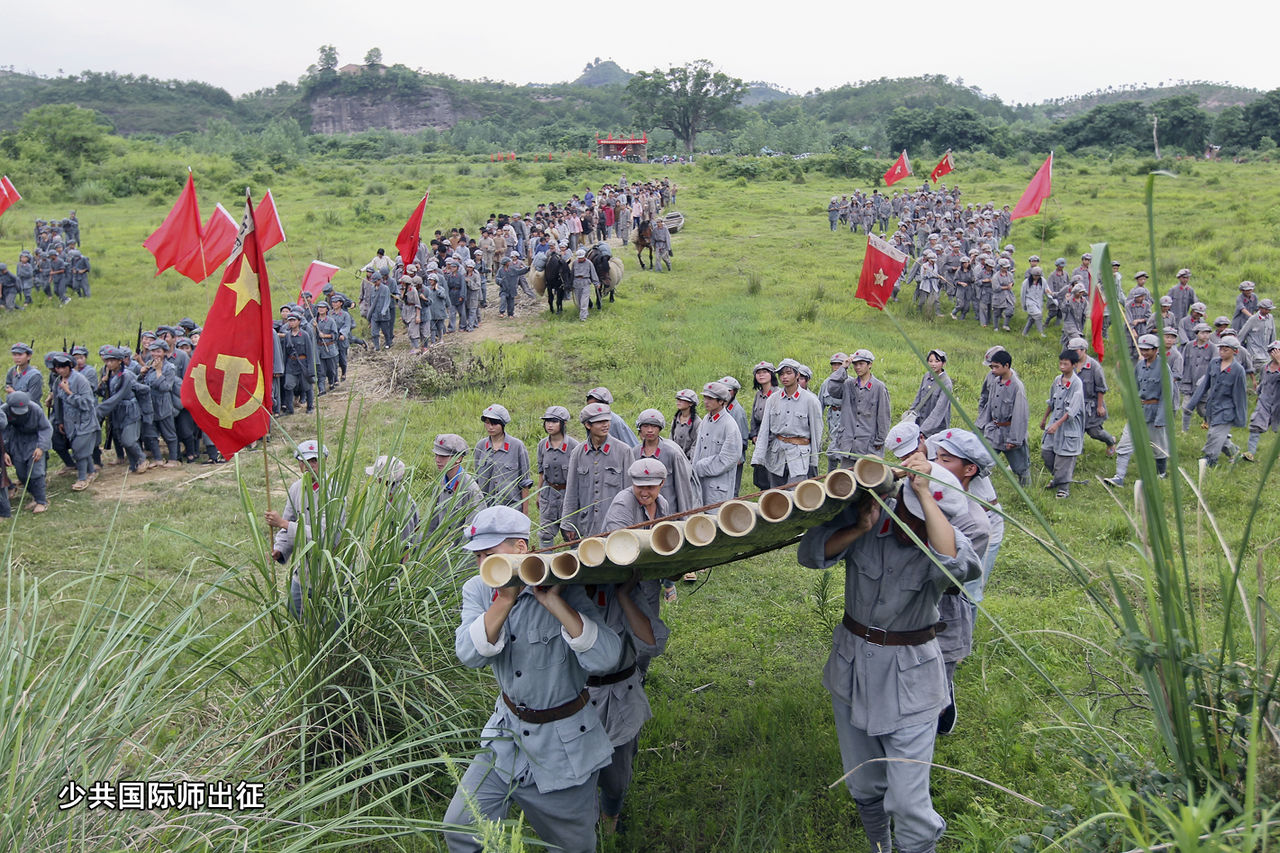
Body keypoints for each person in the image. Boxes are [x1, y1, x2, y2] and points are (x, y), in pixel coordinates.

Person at [798, 447, 981, 853]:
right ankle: (879, 845)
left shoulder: (948, 538)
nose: (904, 519)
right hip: (852, 668)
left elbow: (956, 566)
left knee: (908, 802)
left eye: (915, 512)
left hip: (911, 679)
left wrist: (927, 498)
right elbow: (810, 554)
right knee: (863, 782)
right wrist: (859, 527)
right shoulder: (872, 520)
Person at [444, 507, 622, 853]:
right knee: (461, 827)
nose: (483, 564)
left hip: (564, 746)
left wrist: (553, 601)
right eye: (478, 556)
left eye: (491, 554)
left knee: (573, 846)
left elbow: (605, 657)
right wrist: (505, 600)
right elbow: (469, 654)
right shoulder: (478, 590)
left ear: (521, 549)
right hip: (506, 737)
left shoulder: (565, 582)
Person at [265, 440, 346, 619]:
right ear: (299, 464)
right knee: (295, 611)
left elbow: (325, 535)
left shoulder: (335, 491)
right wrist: (279, 549)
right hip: (304, 570)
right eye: (305, 461)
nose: (310, 466)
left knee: (331, 624)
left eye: (315, 461)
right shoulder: (296, 489)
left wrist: (283, 524)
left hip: (330, 571)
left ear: (324, 461)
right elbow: (289, 521)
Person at [1103, 335, 1173, 487]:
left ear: (1155, 350)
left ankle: (1161, 473)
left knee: (1158, 447)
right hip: (1138, 412)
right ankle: (1119, 477)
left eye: (1147, 350)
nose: (1144, 352)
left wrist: (1161, 418)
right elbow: (1134, 388)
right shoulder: (1140, 366)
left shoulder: (1163, 368)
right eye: (1142, 349)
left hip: (1154, 414)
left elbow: (1167, 395)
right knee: (1124, 445)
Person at [750, 358, 823, 489]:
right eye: (781, 374)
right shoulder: (773, 399)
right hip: (777, 453)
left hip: (799, 456)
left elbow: (816, 431)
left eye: (788, 373)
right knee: (776, 494)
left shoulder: (810, 400)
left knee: (795, 494)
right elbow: (764, 429)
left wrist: (814, 460)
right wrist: (758, 457)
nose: (784, 377)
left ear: (797, 375)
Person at [560, 403, 629, 541]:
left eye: (607, 421)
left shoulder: (623, 451)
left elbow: (630, 490)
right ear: (588, 425)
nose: (605, 425)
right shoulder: (578, 453)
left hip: (616, 524)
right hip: (587, 524)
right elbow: (572, 491)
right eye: (599, 422)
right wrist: (568, 523)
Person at [1186, 336, 1248, 467]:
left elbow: (1240, 395)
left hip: (1226, 410)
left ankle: (1210, 459)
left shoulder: (1238, 370)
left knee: (1214, 435)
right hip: (1212, 407)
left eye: (1226, 350)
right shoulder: (1214, 363)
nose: (1222, 352)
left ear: (1235, 351)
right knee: (1218, 434)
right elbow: (1204, 385)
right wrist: (1191, 405)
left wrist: (1240, 417)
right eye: (1221, 349)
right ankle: (1234, 451)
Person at [826, 349, 891, 466]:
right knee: (847, 481)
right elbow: (832, 388)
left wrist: (880, 440)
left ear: (870, 364)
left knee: (867, 481)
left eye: (861, 364)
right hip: (848, 446)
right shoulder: (848, 384)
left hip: (868, 446)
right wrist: (843, 368)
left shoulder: (879, 387)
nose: (857, 367)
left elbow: (884, 417)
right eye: (855, 364)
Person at [976, 349, 1031, 486]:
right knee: (983, 462)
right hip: (993, 431)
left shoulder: (1017, 386)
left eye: (996, 367)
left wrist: (1015, 439)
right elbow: (989, 405)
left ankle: (1027, 492)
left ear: (1006, 366)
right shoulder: (995, 382)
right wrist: (982, 425)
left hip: (1009, 432)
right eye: (992, 367)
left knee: (1021, 467)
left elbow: (1020, 415)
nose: (993, 370)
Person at [1039, 350, 1086, 499]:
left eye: (1065, 364)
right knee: (1046, 452)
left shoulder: (1077, 384)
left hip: (1068, 427)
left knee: (1064, 457)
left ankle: (1063, 488)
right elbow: (1051, 402)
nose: (1062, 366)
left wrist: (1058, 424)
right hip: (1054, 424)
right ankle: (1058, 478)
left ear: (1074, 365)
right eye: (1061, 363)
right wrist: (1045, 419)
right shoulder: (1057, 380)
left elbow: (1072, 409)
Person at [690, 381, 743, 506]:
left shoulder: (729, 425)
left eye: (710, 398)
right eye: (705, 398)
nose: (706, 401)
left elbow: (729, 458)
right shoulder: (705, 420)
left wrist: (700, 467)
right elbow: (698, 450)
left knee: (716, 520)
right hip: (700, 483)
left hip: (719, 488)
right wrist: (694, 470)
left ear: (721, 401)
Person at [474, 404, 533, 514]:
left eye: (494, 423)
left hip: (511, 509)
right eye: (487, 423)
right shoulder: (480, 446)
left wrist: (525, 514)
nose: (490, 427)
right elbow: (476, 481)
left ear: (502, 424)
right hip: (485, 509)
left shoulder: (517, 446)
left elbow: (525, 483)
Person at [96, 347, 146, 474]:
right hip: (117, 411)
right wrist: (102, 384)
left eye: (112, 361)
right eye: (107, 361)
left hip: (129, 410)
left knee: (128, 439)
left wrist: (100, 410)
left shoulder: (126, 375)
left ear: (119, 361)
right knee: (121, 439)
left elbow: (119, 395)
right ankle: (133, 464)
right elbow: (104, 394)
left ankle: (142, 459)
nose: (109, 364)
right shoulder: (108, 374)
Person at [535, 407, 578, 549]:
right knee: (545, 533)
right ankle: (544, 567)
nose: (550, 425)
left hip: (568, 495)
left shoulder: (574, 446)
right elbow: (541, 472)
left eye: (554, 421)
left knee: (571, 533)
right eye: (547, 421)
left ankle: (578, 566)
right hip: (548, 494)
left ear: (563, 424)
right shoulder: (542, 445)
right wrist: (538, 493)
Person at [2, 390, 53, 513]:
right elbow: (2, 431)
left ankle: (42, 501)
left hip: (34, 440)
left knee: (36, 472)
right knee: (21, 473)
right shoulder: (3, 410)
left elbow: (46, 428)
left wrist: (41, 447)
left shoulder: (35, 409)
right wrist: (4, 451)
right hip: (16, 441)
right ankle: (35, 495)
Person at [428, 433, 484, 540]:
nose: (437, 460)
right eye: (436, 455)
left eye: (443, 456)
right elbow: (432, 525)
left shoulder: (470, 489)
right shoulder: (439, 484)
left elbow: (473, 531)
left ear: (459, 458)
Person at [1244, 341, 1280, 461]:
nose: (1275, 354)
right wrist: (1258, 394)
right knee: (1256, 425)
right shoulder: (1265, 367)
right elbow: (1262, 383)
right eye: (1273, 351)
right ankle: (1250, 453)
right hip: (1264, 402)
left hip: (1278, 404)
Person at [905, 349, 952, 437]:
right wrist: (910, 415)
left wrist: (923, 430)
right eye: (930, 361)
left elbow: (939, 411)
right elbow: (918, 398)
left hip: (935, 429)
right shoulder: (926, 376)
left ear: (943, 363)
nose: (933, 364)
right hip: (920, 423)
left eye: (937, 361)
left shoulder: (946, 383)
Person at [747, 361, 777, 490]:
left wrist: (767, 439)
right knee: (760, 476)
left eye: (765, 372)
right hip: (759, 440)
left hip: (773, 440)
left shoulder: (777, 394)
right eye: (758, 373)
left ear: (771, 374)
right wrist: (754, 435)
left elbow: (777, 421)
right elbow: (754, 418)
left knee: (772, 474)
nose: (761, 375)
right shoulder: (758, 395)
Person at [670, 389, 701, 460]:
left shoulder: (697, 422)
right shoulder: (675, 419)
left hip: (688, 460)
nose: (679, 402)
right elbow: (671, 439)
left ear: (691, 403)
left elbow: (696, 445)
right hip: (674, 458)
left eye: (682, 400)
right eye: (678, 399)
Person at [571, 249, 599, 322]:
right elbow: (572, 274)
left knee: (584, 300)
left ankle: (583, 317)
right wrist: (570, 284)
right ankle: (584, 313)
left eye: (582, 258)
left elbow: (593, 273)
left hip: (585, 282)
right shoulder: (574, 263)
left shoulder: (589, 263)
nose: (581, 259)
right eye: (579, 258)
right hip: (576, 283)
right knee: (579, 301)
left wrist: (596, 283)